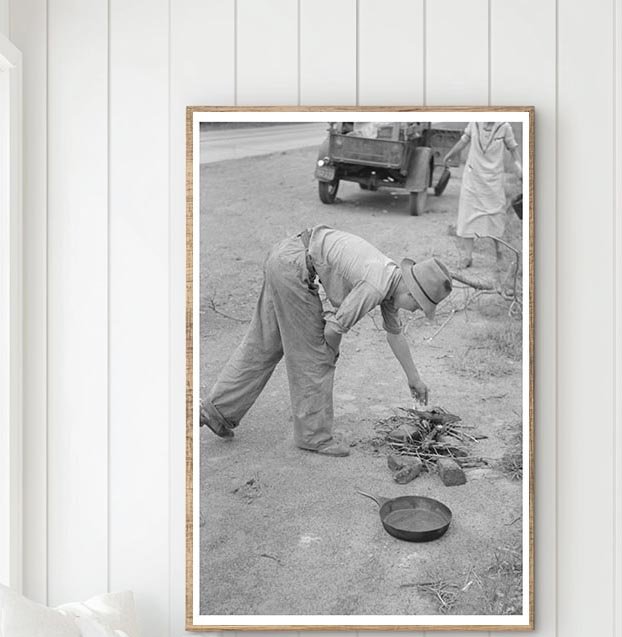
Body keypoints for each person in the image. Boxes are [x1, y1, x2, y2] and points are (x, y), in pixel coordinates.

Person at [199, 225, 453, 457]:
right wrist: (330, 352)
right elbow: (333, 331)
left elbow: (395, 334)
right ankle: (314, 436)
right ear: (410, 292)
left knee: (266, 343)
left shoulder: (392, 280)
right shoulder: (376, 286)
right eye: (418, 306)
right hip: (293, 268)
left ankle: (217, 410)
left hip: (285, 255)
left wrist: (414, 378)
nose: (415, 311)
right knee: (317, 356)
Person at [444, 121, 522, 268]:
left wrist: (520, 168)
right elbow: (463, 142)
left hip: (494, 179)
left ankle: (499, 255)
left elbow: (514, 151)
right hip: (473, 178)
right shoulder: (474, 123)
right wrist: (449, 155)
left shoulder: (504, 127)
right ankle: (467, 257)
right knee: (468, 216)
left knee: (496, 216)